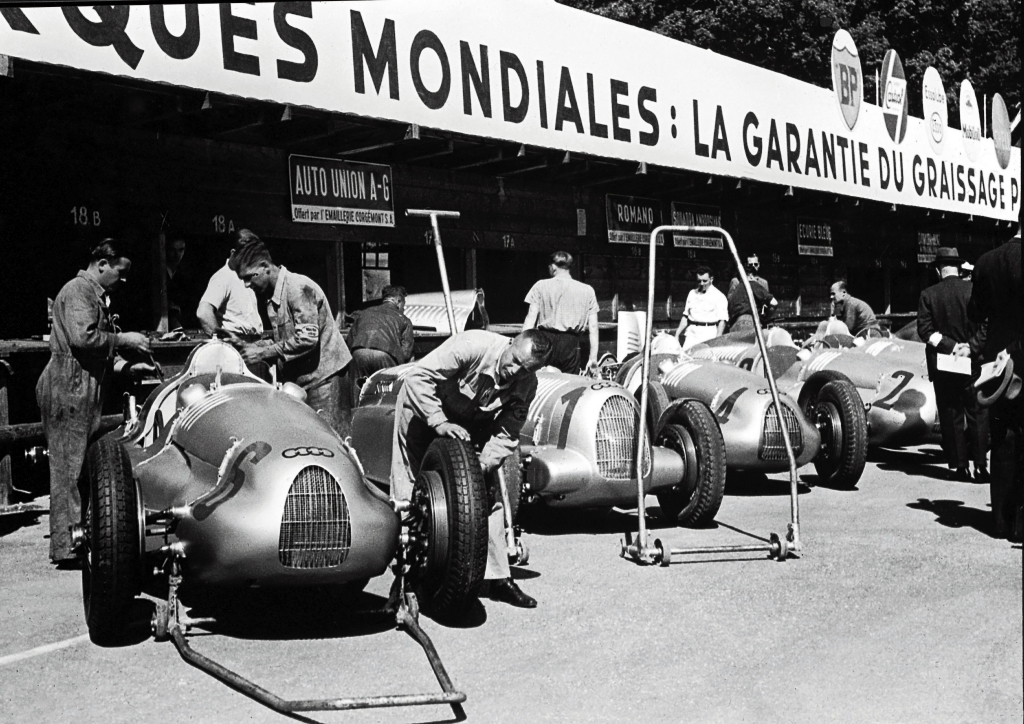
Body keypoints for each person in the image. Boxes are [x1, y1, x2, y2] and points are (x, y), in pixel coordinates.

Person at [391, 329, 551, 608]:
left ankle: (499, 578)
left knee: (485, 494)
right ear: (511, 342)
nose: (513, 372)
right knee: (414, 492)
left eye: (524, 370)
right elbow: (418, 376)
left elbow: (507, 433)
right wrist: (438, 421)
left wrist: (481, 465)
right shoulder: (472, 345)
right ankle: (407, 578)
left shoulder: (527, 384)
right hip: (422, 410)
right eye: (513, 361)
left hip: (466, 426)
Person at [35, 239, 156, 567]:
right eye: (121, 272)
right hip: (68, 387)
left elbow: (97, 352)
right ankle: (67, 547)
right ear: (102, 263)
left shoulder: (94, 295)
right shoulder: (78, 291)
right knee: (68, 472)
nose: (123, 280)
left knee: (80, 468)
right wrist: (124, 338)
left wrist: (128, 367)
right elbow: (83, 339)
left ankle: (80, 536)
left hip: (82, 387)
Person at [229, 238, 353, 436]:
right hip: (304, 381)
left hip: (325, 381)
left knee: (330, 441)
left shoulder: (297, 288)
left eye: (249, 277)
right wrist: (251, 346)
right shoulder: (273, 295)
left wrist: (262, 352)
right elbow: (287, 339)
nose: (245, 284)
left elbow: (306, 339)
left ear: (264, 267)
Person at [968, 227, 1022, 541]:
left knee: (1002, 436)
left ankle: (1001, 521)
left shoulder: (987, 261)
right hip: (1019, 356)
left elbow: (976, 312)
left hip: (998, 365)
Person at [917, 247, 989, 482]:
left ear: (939, 270)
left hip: (945, 362)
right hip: (972, 360)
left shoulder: (928, 295)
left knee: (951, 413)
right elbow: (987, 325)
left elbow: (925, 331)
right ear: (958, 269)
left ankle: (959, 467)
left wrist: (951, 346)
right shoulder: (973, 291)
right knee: (977, 413)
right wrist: (971, 346)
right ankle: (980, 467)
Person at [522, 250, 599, 374]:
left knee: (542, 383)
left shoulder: (540, 286)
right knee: (569, 387)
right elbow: (594, 327)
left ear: (553, 267)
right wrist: (593, 358)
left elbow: (530, 319)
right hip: (570, 344)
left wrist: (521, 348)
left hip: (544, 342)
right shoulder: (587, 290)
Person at [196, 229, 264, 340]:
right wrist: (221, 343)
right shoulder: (223, 276)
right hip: (237, 342)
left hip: (254, 342)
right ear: (233, 253)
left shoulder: (247, 275)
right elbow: (203, 312)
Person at [347, 285, 415, 395]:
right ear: (398, 301)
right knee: (387, 396)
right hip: (385, 355)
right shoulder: (404, 320)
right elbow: (406, 353)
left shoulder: (364, 313)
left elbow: (350, 340)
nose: (404, 308)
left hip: (359, 354)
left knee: (357, 393)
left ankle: (356, 411)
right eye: (404, 304)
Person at [675, 266, 728, 350]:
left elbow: (722, 321)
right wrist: (677, 334)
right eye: (699, 281)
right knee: (686, 358)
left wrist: (717, 340)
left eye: (705, 281)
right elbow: (685, 316)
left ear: (711, 279)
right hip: (691, 334)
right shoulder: (692, 293)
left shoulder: (719, 296)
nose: (702, 283)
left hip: (708, 334)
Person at [727, 253, 777, 331]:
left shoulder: (763, 282)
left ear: (759, 265)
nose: (753, 266)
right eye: (750, 265)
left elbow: (766, 304)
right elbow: (730, 303)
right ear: (746, 265)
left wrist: (765, 318)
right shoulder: (736, 281)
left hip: (758, 319)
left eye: (755, 264)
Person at [165, 236, 195, 330]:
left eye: (181, 250)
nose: (177, 255)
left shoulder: (186, 274)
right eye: (172, 250)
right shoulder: (159, 272)